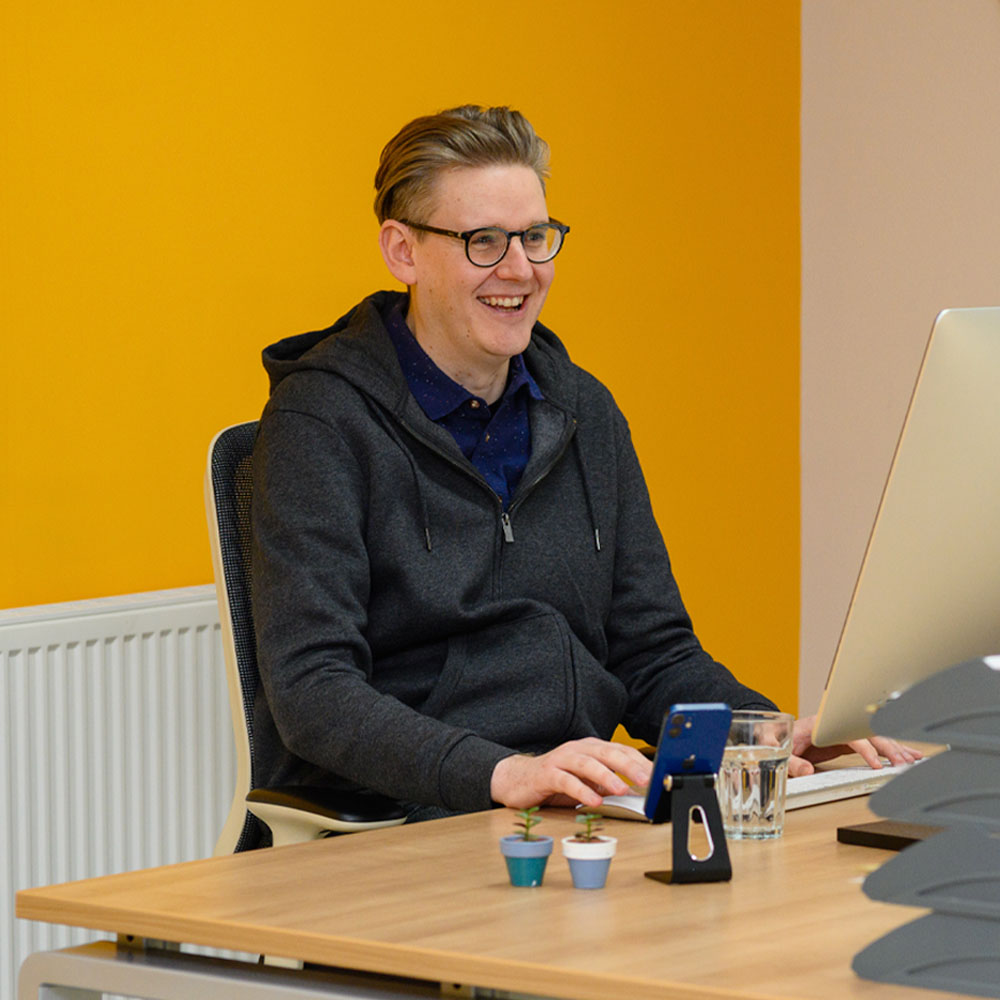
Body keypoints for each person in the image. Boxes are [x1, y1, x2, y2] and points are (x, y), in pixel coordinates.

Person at [250, 105, 918, 822]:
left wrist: (761, 736)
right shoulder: (320, 424)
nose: (522, 269)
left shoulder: (583, 412)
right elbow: (314, 692)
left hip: (579, 807)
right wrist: (504, 773)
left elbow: (654, 652)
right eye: (483, 241)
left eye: (536, 238)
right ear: (402, 252)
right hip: (411, 816)